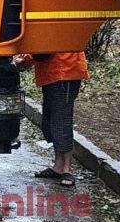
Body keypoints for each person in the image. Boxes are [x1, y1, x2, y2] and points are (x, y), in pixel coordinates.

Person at [14, 52, 89, 187]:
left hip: (65, 72)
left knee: (61, 121)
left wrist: (25, 59)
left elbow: (47, 48)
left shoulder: (60, 31)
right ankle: (58, 166)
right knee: (51, 122)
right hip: (54, 73)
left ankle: (67, 169)